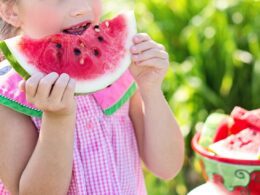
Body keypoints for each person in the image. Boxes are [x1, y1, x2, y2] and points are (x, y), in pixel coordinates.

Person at [0, 0, 184, 194]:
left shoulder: (120, 70)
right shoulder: (8, 96)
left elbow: (167, 167)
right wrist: (57, 120)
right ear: (11, 11)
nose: (82, 8)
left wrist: (151, 89)